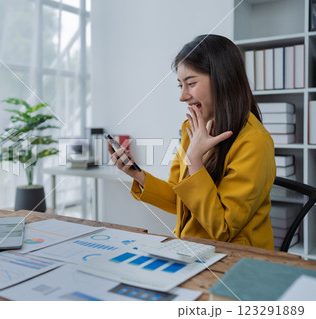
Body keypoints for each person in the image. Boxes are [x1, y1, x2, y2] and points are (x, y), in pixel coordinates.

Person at [108, 34, 276, 250]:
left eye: (191, 83)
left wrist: (195, 160)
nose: (183, 96)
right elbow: (182, 200)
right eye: (180, 86)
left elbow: (222, 229)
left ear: (223, 80)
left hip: (235, 259)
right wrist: (136, 174)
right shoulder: (192, 129)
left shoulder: (255, 142)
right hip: (192, 250)